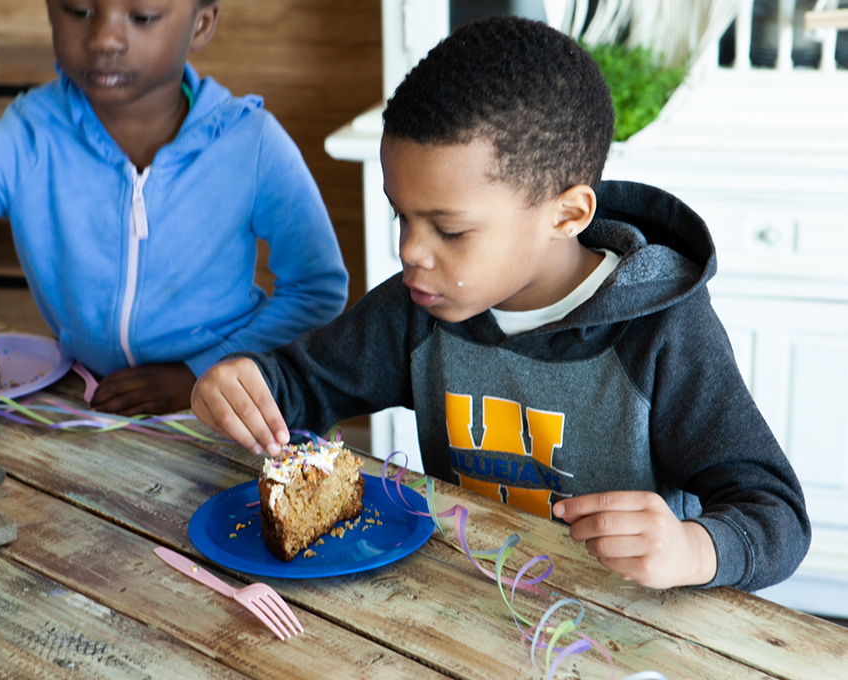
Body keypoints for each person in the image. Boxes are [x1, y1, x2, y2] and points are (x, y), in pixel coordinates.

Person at [191, 16, 811, 591]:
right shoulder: (418, 308)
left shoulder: (662, 332)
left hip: (624, 631)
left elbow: (775, 512)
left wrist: (693, 549)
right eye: (401, 217)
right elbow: (298, 388)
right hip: (465, 610)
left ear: (567, 214)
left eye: (450, 231)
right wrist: (242, 385)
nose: (411, 251)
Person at [0, 0, 349, 416]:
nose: (103, 38)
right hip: (92, 409)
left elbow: (317, 289)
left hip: (231, 416)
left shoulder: (250, 142)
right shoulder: (27, 138)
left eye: (142, 17)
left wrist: (199, 372)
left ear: (202, 23)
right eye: (78, 10)